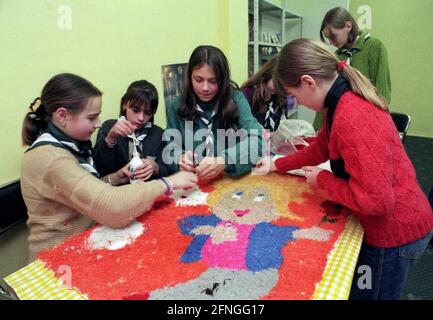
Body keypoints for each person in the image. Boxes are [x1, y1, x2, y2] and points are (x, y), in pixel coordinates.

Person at [254, 39, 433, 300]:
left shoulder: (352, 116)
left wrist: (324, 180)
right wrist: (275, 163)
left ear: (308, 82)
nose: (299, 103)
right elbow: (320, 149)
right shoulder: (337, 100)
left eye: (295, 96)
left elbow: (377, 202)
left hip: (395, 233)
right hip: (392, 221)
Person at [21, 73, 197, 261]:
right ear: (62, 115)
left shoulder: (69, 145)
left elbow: (85, 190)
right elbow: (111, 207)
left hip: (86, 242)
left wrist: (116, 177)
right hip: (58, 260)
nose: (97, 124)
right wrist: (168, 183)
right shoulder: (52, 158)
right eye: (92, 118)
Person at [164, 45, 264, 180]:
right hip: (192, 185)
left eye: (213, 81)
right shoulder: (177, 105)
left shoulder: (236, 100)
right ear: (189, 77)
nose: (205, 88)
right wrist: (179, 158)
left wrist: (224, 160)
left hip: (229, 183)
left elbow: (257, 141)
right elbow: (169, 147)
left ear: (223, 80)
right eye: (198, 80)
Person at [313, 6, 391, 130]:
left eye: (333, 36)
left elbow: (382, 93)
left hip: (367, 123)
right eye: (328, 38)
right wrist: (317, 129)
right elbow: (328, 95)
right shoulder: (337, 56)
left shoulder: (374, 47)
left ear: (348, 26)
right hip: (342, 123)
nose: (331, 42)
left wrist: (374, 125)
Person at [93, 80, 169, 181]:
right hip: (118, 192)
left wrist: (156, 167)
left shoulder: (158, 134)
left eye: (148, 112)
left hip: (147, 192)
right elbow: (100, 170)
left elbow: (168, 170)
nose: (141, 118)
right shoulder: (109, 127)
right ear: (124, 104)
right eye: (136, 110)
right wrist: (110, 139)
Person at [240, 58, 295, 132]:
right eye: (279, 81)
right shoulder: (247, 93)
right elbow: (243, 127)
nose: (282, 86)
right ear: (268, 74)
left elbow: (283, 124)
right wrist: (271, 135)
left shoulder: (281, 97)